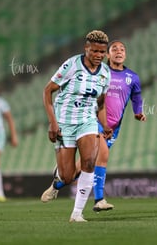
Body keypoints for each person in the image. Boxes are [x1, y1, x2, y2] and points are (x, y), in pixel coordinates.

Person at [41, 40, 146, 212]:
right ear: (108, 54)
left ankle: (57, 185)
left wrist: (138, 111)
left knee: (78, 170)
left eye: (122, 49)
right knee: (102, 155)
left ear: (125, 54)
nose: (119, 51)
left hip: (112, 127)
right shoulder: (100, 72)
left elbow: (137, 96)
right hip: (92, 121)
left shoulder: (132, 77)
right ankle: (99, 199)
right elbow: (97, 101)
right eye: (114, 49)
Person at [43, 30, 112, 222]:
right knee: (67, 176)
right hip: (64, 122)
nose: (99, 55)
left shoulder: (105, 73)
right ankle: (58, 177)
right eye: (95, 51)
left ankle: (77, 213)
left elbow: (101, 103)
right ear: (86, 48)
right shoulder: (72, 65)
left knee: (89, 162)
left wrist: (104, 124)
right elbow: (48, 91)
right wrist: (53, 122)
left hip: (87, 121)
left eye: (102, 52)